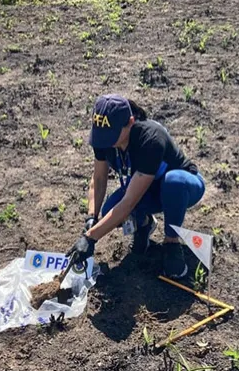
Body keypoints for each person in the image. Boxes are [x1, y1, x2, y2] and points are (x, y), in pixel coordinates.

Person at [66, 94, 206, 278]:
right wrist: (92, 218)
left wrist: (90, 238)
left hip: (184, 187)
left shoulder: (150, 139)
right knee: (109, 211)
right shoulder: (103, 138)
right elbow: (99, 179)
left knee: (173, 182)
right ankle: (144, 224)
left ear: (130, 122)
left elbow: (130, 201)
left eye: (110, 135)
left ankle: (172, 241)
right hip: (143, 188)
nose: (105, 141)